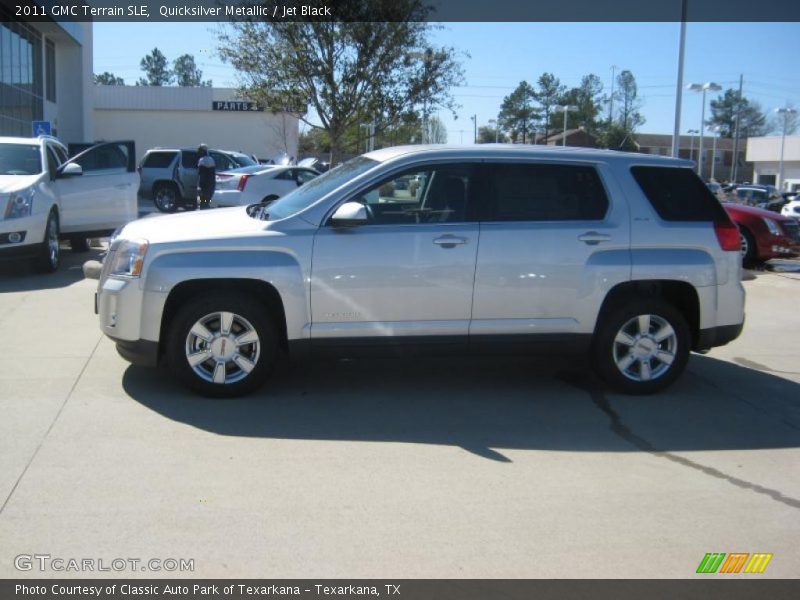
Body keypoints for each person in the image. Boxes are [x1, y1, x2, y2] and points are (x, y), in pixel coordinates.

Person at [196, 144, 216, 210]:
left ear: (202, 151)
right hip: (211, 185)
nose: (198, 152)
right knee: (208, 200)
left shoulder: (202, 160)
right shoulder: (211, 159)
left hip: (204, 185)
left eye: (199, 151)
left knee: (201, 202)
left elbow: (201, 174)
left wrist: (199, 186)